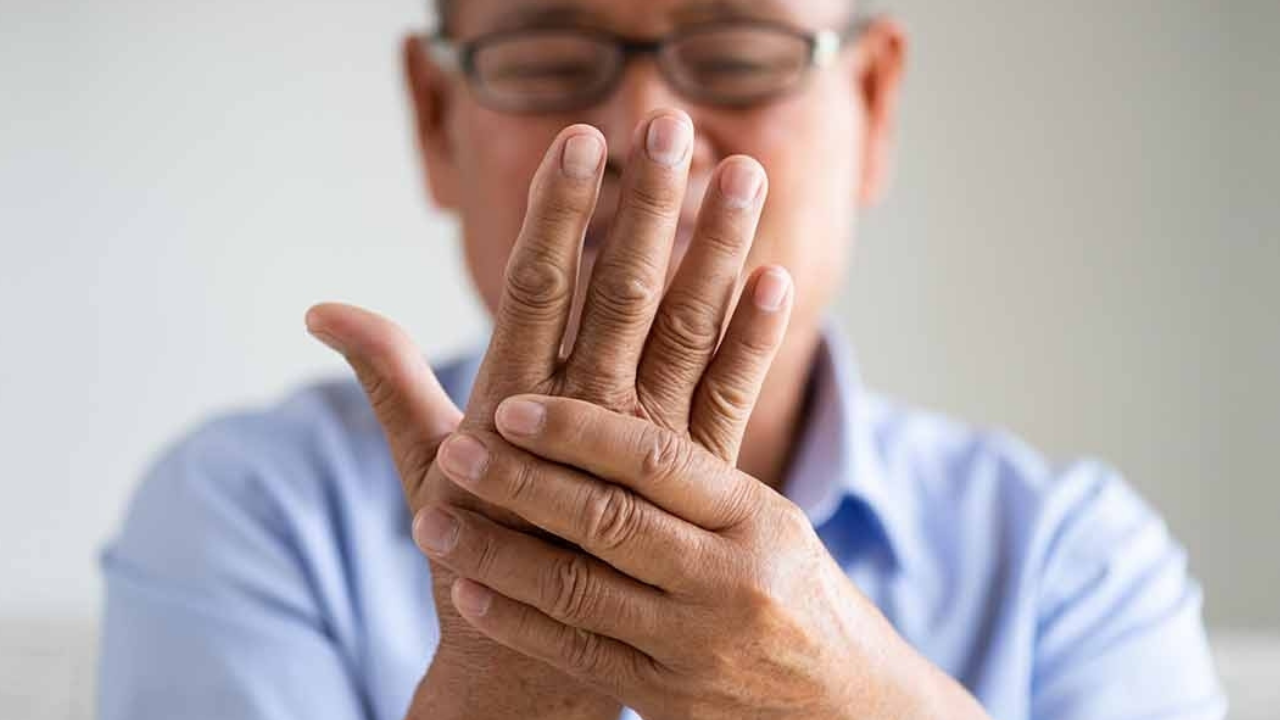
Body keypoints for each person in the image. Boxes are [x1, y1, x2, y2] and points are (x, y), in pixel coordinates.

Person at [98, 1, 1226, 718]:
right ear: (436, 118)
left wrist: (850, 699)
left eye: (736, 56)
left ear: (873, 104)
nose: (650, 135)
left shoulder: (1070, 561)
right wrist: (515, 676)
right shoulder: (252, 514)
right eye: (547, 58)